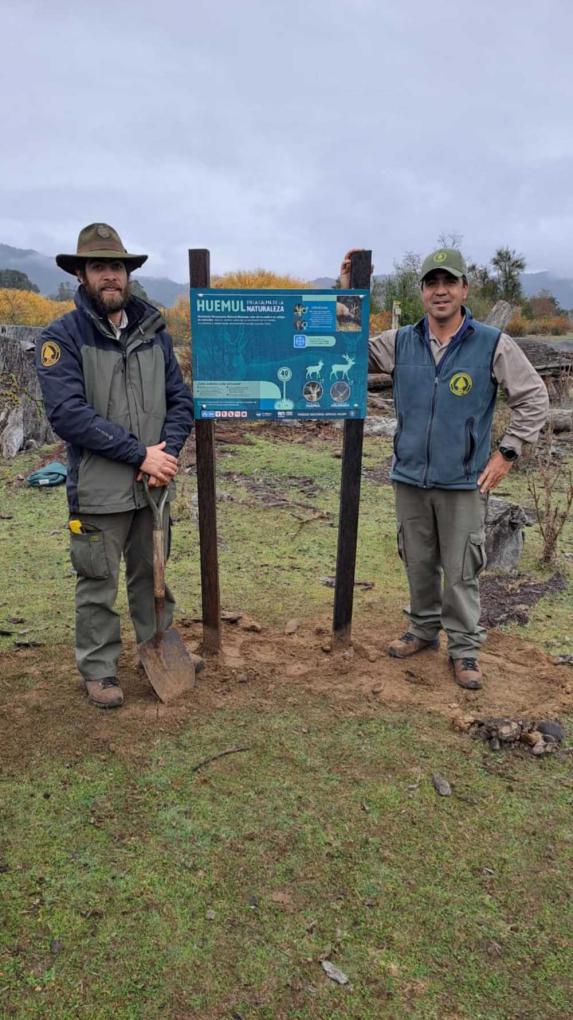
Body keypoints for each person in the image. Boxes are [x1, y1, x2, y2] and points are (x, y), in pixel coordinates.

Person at [340, 246, 549, 689]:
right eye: (432, 283)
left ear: (463, 289)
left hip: (463, 480)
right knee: (417, 561)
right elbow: (347, 347)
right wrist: (348, 292)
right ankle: (422, 630)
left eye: (448, 283)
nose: (440, 291)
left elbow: (533, 397)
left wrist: (506, 452)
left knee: (460, 570)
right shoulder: (400, 341)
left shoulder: (492, 343)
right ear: (422, 292)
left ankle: (464, 649)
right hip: (410, 476)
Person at [36, 223, 194, 708]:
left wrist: (163, 455)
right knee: (97, 583)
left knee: (153, 577)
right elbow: (69, 415)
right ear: (82, 274)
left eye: (117, 267)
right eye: (99, 267)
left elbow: (179, 401)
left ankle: (157, 648)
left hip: (152, 486)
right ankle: (100, 670)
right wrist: (138, 453)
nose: (110, 276)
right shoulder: (61, 338)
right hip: (99, 492)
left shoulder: (154, 331)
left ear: (128, 274)